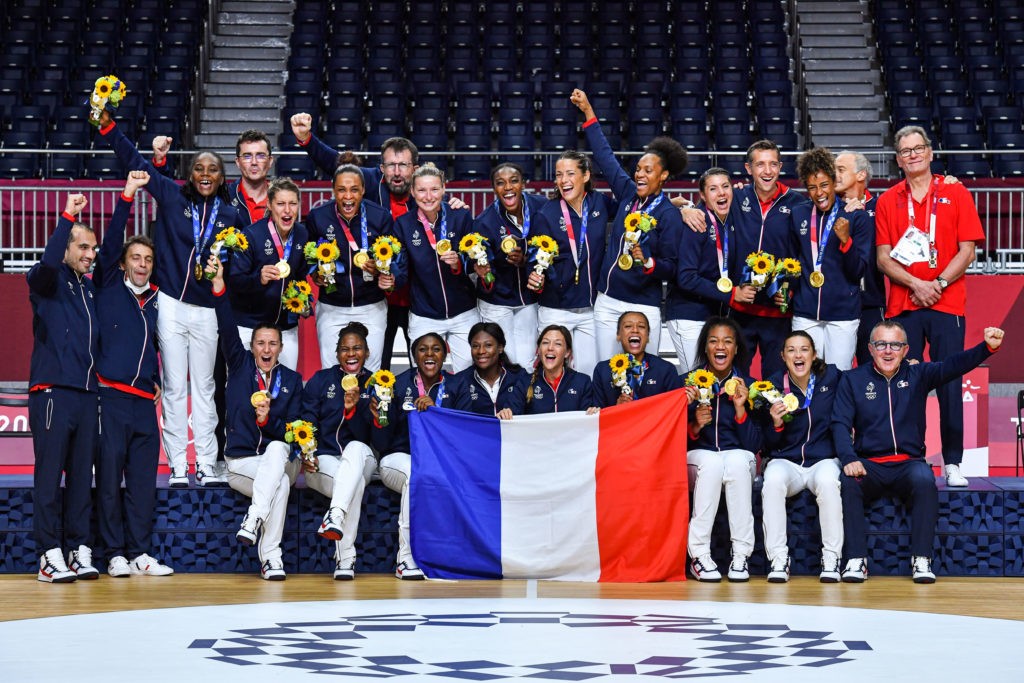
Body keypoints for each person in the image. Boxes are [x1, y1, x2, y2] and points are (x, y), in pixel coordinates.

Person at [97, 108, 247, 487]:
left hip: (209, 309)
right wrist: (109, 126)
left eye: (213, 170)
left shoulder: (232, 215)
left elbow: (246, 255)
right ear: (190, 175)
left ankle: (208, 463)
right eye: (200, 169)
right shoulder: (170, 196)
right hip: (171, 306)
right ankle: (179, 463)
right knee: (176, 386)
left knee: (208, 387)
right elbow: (135, 161)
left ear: (222, 176)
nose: (206, 175)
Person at [290, 113, 468, 371]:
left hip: (416, 300)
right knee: (376, 369)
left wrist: (454, 202)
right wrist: (306, 139)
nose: (397, 172)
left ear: (414, 169)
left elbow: (436, 198)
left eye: (404, 165)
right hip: (378, 298)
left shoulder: (426, 196)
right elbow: (337, 165)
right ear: (381, 169)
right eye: (391, 165)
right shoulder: (370, 182)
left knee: (422, 369)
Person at [832, 320, 1003, 583]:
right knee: (848, 482)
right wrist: (849, 458)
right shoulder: (852, 380)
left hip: (908, 463)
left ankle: (921, 559)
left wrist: (987, 348)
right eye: (881, 345)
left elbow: (952, 365)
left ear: (905, 349)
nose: (887, 351)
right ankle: (856, 559)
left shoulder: (918, 374)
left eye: (895, 345)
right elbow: (840, 424)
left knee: (925, 479)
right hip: (869, 464)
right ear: (870, 348)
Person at [875, 126, 985, 487]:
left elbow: (967, 250)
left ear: (930, 152)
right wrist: (916, 284)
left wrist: (937, 284)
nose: (913, 155)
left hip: (946, 302)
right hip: (904, 304)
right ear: (898, 160)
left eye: (918, 148)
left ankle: (952, 462)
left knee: (949, 380)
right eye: (905, 151)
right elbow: (883, 258)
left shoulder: (955, 192)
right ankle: (910, 456)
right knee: (904, 382)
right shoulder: (889, 199)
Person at [93, 171, 173, 578]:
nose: (142, 265)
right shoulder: (107, 286)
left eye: (147, 259)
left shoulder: (160, 300)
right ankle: (114, 554)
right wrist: (127, 196)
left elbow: (156, 346)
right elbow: (108, 244)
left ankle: (141, 553)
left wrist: (155, 376)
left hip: (145, 404)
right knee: (109, 482)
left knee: (142, 484)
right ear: (123, 264)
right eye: (135, 259)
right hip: (110, 398)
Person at [206, 254, 304, 580]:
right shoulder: (240, 364)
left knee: (278, 448)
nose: (266, 348)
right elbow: (225, 323)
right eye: (260, 342)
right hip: (242, 462)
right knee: (281, 489)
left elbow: (292, 433)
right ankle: (271, 558)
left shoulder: (290, 381)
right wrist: (219, 286)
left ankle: (253, 518)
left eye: (272, 343)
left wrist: (268, 422)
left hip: (276, 461)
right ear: (251, 346)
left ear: (280, 348)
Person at [571, 89, 688, 360]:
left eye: (648, 170)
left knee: (645, 376)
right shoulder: (627, 194)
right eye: (638, 169)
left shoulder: (669, 215)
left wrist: (648, 263)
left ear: (664, 176)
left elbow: (671, 267)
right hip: (608, 302)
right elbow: (604, 156)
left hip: (644, 306)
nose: (639, 174)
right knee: (605, 371)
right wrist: (588, 111)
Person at [27, 193, 100, 582]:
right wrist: (66, 217)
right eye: (83, 246)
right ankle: (47, 554)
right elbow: (48, 259)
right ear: (66, 247)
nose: (90, 254)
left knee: (79, 480)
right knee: (49, 476)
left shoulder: (88, 290)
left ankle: (77, 548)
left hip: (86, 395)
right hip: (52, 391)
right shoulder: (46, 280)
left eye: (93, 248)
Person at [689, 141, 808, 379]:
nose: (767, 171)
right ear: (748, 168)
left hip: (778, 312)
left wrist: (789, 290)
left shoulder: (797, 203)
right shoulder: (736, 196)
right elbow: (709, 206)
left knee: (775, 381)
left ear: (780, 167)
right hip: (740, 308)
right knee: (735, 381)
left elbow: (802, 255)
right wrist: (684, 207)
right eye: (760, 164)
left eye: (773, 164)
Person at [372, 332, 460, 580]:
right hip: (396, 461)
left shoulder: (456, 386)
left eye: (436, 349)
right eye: (422, 349)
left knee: (427, 474)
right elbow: (381, 443)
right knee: (415, 473)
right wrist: (380, 418)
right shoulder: (397, 385)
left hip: (441, 465)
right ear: (414, 356)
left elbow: (461, 433)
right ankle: (405, 558)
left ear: (445, 354)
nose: (429, 354)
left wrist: (436, 413)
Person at [758, 331, 843, 583]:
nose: (798, 355)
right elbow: (767, 443)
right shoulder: (770, 387)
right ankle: (778, 558)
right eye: (791, 350)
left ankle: (832, 558)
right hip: (787, 462)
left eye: (804, 349)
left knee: (829, 482)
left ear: (814, 355)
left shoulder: (832, 377)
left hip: (823, 460)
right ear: (783, 356)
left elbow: (863, 379)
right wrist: (775, 423)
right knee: (772, 480)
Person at [685, 317, 761, 582]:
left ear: (737, 349)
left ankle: (741, 556)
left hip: (737, 458)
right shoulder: (688, 384)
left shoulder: (749, 386)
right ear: (705, 348)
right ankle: (699, 556)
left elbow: (753, 447)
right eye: (714, 341)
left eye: (728, 341)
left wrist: (741, 409)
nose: (721, 346)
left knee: (739, 461)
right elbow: (672, 438)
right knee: (713, 463)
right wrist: (695, 425)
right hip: (698, 458)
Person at [530, 151, 616, 376]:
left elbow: (632, 209)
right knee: (554, 372)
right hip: (556, 310)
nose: (563, 180)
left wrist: (677, 207)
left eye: (570, 174)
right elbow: (536, 260)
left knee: (589, 372)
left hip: (591, 309)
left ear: (586, 176)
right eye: (559, 175)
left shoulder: (599, 202)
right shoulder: (546, 214)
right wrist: (536, 276)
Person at [301, 322, 376, 580]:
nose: (351, 354)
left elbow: (375, 438)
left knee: (355, 449)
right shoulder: (321, 380)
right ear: (336, 354)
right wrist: (306, 453)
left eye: (357, 348)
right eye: (345, 349)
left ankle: (335, 515)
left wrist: (353, 411)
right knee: (352, 486)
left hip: (362, 461)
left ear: (367, 352)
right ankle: (346, 559)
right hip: (323, 462)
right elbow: (307, 422)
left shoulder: (377, 384)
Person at [787, 147, 872, 371]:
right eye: (812, 187)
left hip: (842, 316)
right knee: (804, 376)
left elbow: (858, 271)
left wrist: (846, 241)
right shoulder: (798, 214)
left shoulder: (857, 217)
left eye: (824, 185)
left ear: (834, 182)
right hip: (805, 314)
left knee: (838, 378)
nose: (819, 193)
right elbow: (793, 260)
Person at [388, 164, 479, 371]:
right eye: (421, 190)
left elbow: (475, 263)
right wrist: (389, 278)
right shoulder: (403, 225)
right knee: (425, 376)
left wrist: (458, 263)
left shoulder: (461, 216)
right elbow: (401, 271)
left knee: (469, 374)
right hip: (424, 314)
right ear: (412, 191)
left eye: (434, 189)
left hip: (464, 311)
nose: (428, 197)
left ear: (444, 189)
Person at [305, 164, 395, 371]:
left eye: (354, 189)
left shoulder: (380, 217)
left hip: (371, 307)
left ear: (363, 190)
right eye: (341, 189)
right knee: (331, 372)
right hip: (331, 308)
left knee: (371, 372)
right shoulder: (317, 217)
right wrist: (315, 275)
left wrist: (383, 270)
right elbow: (307, 258)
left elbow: (396, 260)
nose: (348, 196)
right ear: (333, 189)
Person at [668, 167, 754, 370]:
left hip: (713, 316)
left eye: (726, 186)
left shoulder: (729, 222)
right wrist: (732, 294)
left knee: (709, 382)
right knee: (698, 382)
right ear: (703, 196)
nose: (722, 193)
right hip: (688, 315)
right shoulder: (696, 222)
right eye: (713, 189)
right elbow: (686, 278)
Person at [227, 177, 309, 370]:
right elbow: (235, 282)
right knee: (246, 389)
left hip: (285, 328)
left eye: (292, 204)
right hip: (250, 327)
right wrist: (259, 278)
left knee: (285, 388)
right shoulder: (251, 235)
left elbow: (301, 275)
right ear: (270, 205)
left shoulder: (303, 234)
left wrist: (304, 300)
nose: (287, 210)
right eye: (281, 204)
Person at [472, 163, 548, 366]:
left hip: (530, 300)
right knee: (503, 360)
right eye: (500, 183)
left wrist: (526, 261)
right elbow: (482, 262)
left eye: (514, 181)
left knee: (526, 361)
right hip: (497, 301)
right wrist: (488, 267)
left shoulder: (541, 207)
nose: (507, 187)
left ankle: (525, 398)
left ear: (524, 184)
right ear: (493, 188)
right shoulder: (484, 221)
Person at [153, 129, 275, 225]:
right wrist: (160, 162)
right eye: (247, 156)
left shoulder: (283, 196)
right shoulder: (219, 194)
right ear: (237, 162)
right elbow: (172, 195)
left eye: (260, 156)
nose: (254, 162)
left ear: (270, 161)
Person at [835, 150, 883, 367]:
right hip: (838, 305)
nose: (834, 174)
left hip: (871, 304)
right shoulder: (828, 208)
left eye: (841, 169)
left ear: (861, 175)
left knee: (872, 372)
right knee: (835, 372)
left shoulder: (882, 206)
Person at [592, 311, 680, 408]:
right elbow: (597, 415)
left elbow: (674, 409)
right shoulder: (603, 370)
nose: (635, 330)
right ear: (618, 335)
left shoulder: (665, 369)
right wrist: (616, 409)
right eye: (628, 326)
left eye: (641, 326)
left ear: (648, 337)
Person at [452, 322, 528, 418]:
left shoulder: (519, 376)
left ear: (500, 348)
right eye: (475, 346)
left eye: (488, 345)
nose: (481, 351)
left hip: (512, 432)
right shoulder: (460, 380)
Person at [523, 325, 598, 414]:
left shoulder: (582, 382)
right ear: (539, 350)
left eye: (558, 344)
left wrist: (593, 414)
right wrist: (507, 412)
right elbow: (512, 418)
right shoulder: (524, 382)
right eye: (545, 342)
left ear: (567, 352)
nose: (550, 348)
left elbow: (587, 424)